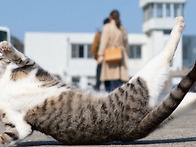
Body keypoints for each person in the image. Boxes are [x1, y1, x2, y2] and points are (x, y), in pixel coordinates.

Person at [97, 10, 130, 92]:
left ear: (110, 17)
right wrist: (127, 54)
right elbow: (126, 43)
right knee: (118, 79)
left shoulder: (107, 27)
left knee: (107, 78)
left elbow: (104, 41)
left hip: (109, 54)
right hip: (119, 55)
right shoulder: (122, 28)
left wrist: (100, 54)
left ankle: (109, 96)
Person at [91, 18, 110, 91]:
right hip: (110, 61)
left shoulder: (99, 35)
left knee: (98, 82)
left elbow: (94, 48)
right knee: (108, 83)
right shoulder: (113, 34)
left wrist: (97, 57)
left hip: (101, 60)